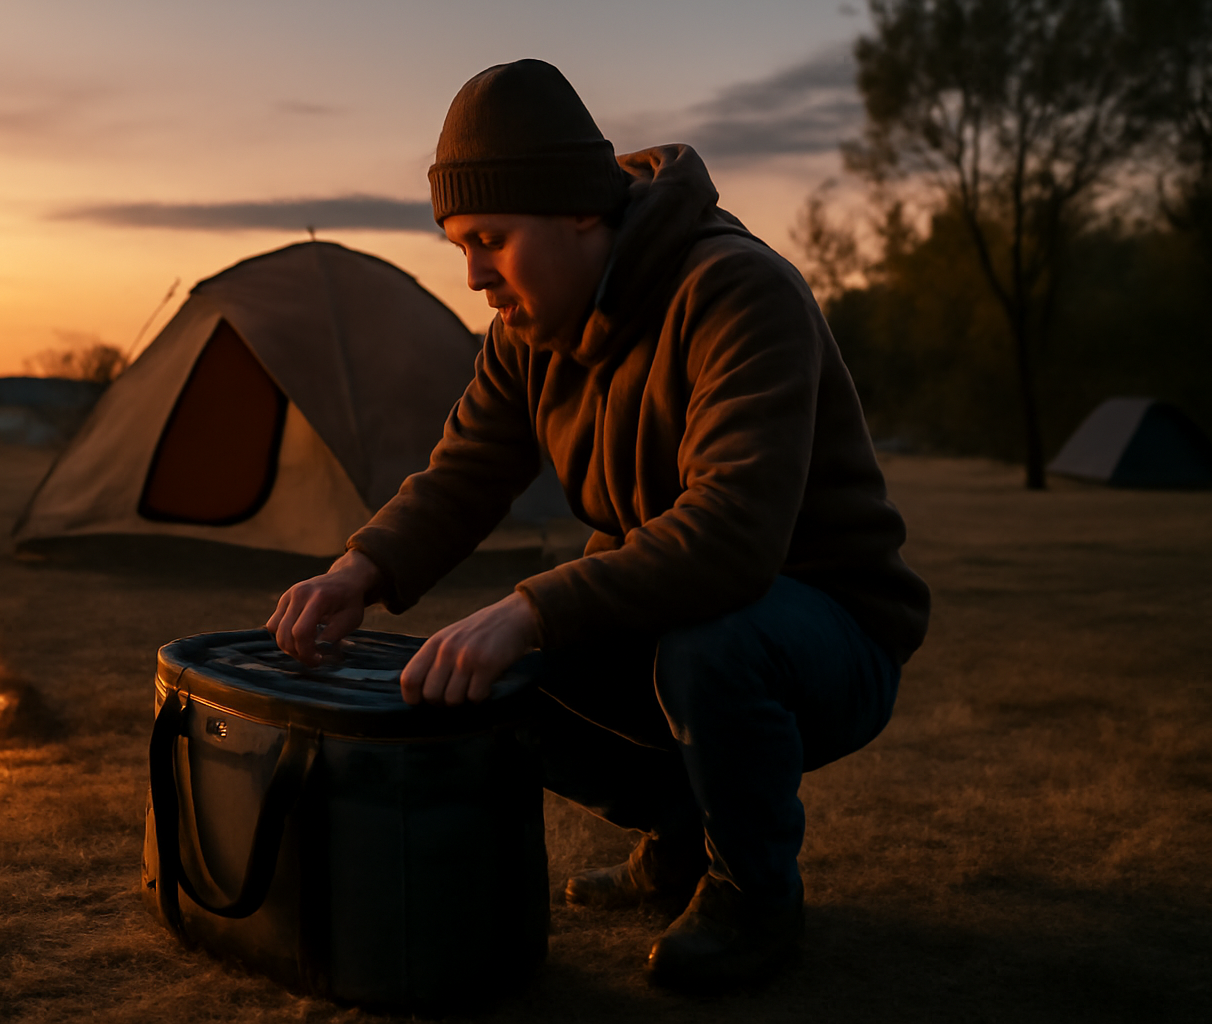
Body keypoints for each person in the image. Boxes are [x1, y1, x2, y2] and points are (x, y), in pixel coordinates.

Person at [265, 58, 930, 993]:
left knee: (704, 647)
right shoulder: (527, 334)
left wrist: (529, 608)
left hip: (824, 628)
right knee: (490, 683)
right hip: (682, 617)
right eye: (460, 244)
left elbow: (733, 534)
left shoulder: (738, 294)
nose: (473, 276)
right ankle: (682, 842)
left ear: (581, 209)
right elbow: (463, 474)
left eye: (490, 238)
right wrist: (357, 573)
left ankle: (757, 900)